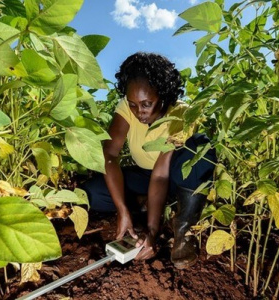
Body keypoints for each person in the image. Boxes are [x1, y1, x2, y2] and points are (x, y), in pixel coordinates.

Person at [83, 52, 216, 269]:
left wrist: (152, 231)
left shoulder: (180, 112)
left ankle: (183, 226)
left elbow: (161, 175)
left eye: (146, 104)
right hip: (144, 176)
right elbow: (109, 155)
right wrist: (121, 210)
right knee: (94, 193)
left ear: (163, 95)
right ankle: (145, 204)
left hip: (174, 180)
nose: (138, 112)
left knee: (201, 145)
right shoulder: (126, 107)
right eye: (133, 105)